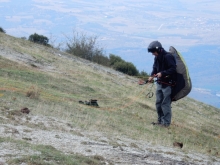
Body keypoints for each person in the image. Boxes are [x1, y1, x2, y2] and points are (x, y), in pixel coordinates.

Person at [147, 41, 176, 127]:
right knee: (158, 102)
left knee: (165, 103)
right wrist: (152, 76)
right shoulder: (156, 58)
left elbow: (173, 69)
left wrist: (162, 73)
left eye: (153, 52)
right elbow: (155, 68)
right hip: (160, 83)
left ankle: (166, 123)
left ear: (158, 50)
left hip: (168, 84)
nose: (152, 54)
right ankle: (160, 121)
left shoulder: (168, 57)